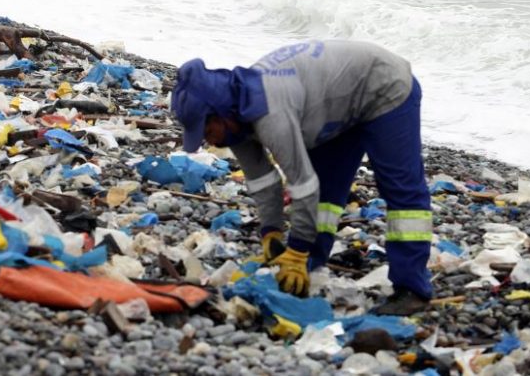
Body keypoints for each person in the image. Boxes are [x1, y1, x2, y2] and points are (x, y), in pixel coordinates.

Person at [170, 40, 432, 316]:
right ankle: (310, 261)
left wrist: (294, 249)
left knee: (399, 187)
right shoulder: (234, 119)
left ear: (221, 114)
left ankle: (411, 288)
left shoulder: (271, 115)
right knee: (326, 191)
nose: (208, 140)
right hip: (337, 106)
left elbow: (302, 186)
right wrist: (270, 231)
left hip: (383, 87)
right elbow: (262, 180)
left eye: (206, 131)